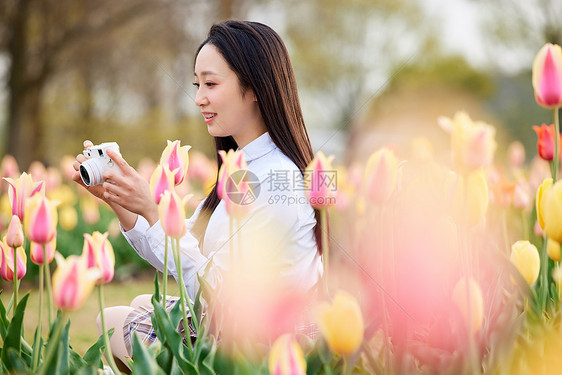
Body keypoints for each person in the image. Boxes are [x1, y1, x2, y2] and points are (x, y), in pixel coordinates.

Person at [73, 20, 323, 370]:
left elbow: (220, 292)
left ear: (254, 88)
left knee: (111, 319)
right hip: (242, 322)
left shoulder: (277, 180)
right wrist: (120, 201)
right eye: (196, 83)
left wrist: (153, 209)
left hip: (266, 344)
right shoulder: (246, 166)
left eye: (210, 83)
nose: (198, 98)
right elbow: (183, 246)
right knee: (148, 302)